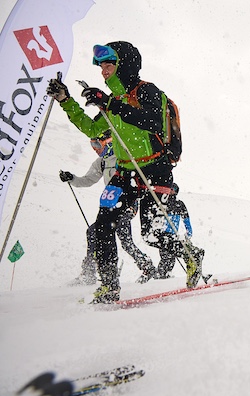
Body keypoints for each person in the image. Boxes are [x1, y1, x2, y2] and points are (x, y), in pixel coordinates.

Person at [47, 41, 204, 303]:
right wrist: (66, 101)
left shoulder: (146, 91)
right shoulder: (113, 101)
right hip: (125, 171)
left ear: (125, 65)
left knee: (151, 234)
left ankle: (191, 255)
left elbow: (152, 121)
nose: (104, 71)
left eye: (109, 65)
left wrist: (109, 103)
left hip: (155, 168)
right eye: (101, 66)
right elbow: (91, 129)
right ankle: (109, 286)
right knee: (102, 226)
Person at [60, 132, 154, 285]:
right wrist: (72, 179)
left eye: (97, 144)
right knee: (124, 241)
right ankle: (146, 266)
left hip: (127, 205)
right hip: (111, 206)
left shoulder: (123, 158)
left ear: (109, 142)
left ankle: (90, 273)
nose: (95, 149)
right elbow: (88, 180)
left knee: (95, 231)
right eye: (92, 145)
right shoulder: (101, 162)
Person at [147, 183, 200, 279]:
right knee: (167, 257)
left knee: (170, 258)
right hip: (162, 234)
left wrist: (188, 234)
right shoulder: (162, 201)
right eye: (169, 188)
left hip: (172, 235)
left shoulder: (179, 204)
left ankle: (162, 276)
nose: (170, 190)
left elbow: (186, 220)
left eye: (173, 189)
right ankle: (161, 276)